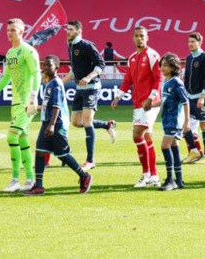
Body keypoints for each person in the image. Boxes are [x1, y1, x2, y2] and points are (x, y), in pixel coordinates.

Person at [0, 19, 41, 192]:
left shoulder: (28, 51)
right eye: (8, 30)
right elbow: (6, 78)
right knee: (22, 140)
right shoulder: (9, 53)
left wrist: (33, 97)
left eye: (13, 30)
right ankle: (29, 179)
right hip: (15, 103)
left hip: (26, 102)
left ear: (22, 31)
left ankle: (15, 179)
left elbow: (37, 74)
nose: (10, 33)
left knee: (11, 137)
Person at [24, 55, 93, 196]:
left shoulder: (56, 84)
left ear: (56, 67)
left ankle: (84, 176)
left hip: (55, 124)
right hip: (47, 122)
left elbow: (57, 106)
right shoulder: (49, 84)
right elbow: (48, 105)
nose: (45, 68)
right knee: (40, 151)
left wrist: (52, 125)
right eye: (44, 65)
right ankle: (39, 186)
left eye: (48, 65)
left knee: (63, 155)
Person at [111, 26, 162, 188]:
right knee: (146, 138)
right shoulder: (132, 58)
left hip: (149, 103)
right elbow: (128, 79)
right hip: (137, 103)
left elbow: (158, 79)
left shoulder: (153, 55)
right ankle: (154, 176)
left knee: (137, 134)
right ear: (133, 38)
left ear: (147, 38)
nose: (139, 38)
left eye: (142, 36)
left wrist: (151, 98)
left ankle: (145, 175)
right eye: (137, 36)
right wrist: (118, 96)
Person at [63, 21, 116, 170]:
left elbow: (101, 64)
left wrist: (88, 77)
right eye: (67, 29)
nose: (68, 32)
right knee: (76, 122)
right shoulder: (70, 45)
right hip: (80, 89)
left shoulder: (87, 45)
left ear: (79, 31)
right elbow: (74, 70)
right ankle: (107, 125)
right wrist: (61, 83)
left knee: (87, 121)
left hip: (92, 87)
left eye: (71, 30)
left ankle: (90, 160)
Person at [158, 53, 190, 191]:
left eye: (166, 65)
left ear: (173, 67)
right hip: (167, 120)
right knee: (173, 147)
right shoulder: (166, 81)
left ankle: (170, 179)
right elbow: (165, 101)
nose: (163, 68)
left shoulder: (177, 82)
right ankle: (179, 180)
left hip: (174, 121)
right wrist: (150, 105)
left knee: (165, 146)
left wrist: (186, 121)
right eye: (162, 65)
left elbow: (185, 101)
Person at [182, 32, 205, 164]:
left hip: (202, 97)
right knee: (186, 125)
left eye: (193, 42)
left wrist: (202, 96)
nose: (190, 44)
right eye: (189, 42)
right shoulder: (189, 58)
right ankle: (194, 151)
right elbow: (186, 78)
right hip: (189, 98)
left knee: (204, 124)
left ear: (200, 43)